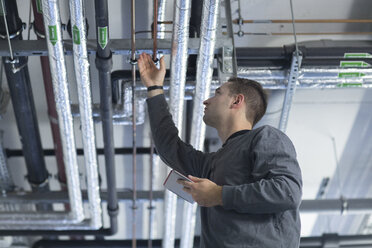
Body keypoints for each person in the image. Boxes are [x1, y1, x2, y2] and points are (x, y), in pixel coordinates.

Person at [138, 52, 302, 248]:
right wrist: (154, 88)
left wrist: (218, 194)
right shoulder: (211, 164)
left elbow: (287, 191)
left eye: (217, 93)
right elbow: (169, 148)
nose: (206, 101)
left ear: (236, 101)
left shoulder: (265, 137)